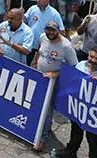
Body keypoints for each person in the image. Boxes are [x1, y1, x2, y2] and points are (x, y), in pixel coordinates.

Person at [57, 47, 97, 158]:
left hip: (95, 114)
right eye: (91, 56)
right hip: (78, 108)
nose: (92, 60)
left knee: (93, 139)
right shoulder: (81, 65)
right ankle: (71, 152)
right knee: (75, 132)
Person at [33, 21, 78, 151]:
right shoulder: (43, 37)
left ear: (58, 30)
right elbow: (39, 51)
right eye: (48, 29)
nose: (50, 33)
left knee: (48, 108)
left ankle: (42, 138)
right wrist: (36, 62)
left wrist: (56, 74)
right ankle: (40, 127)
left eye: (53, 30)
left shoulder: (66, 46)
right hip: (40, 76)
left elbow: (74, 67)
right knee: (38, 103)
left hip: (54, 81)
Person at [24, 0, 65, 66]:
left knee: (40, 66)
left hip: (44, 45)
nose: (37, 1)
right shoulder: (32, 8)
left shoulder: (54, 14)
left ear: (47, 0)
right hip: (30, 42)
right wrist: (21, 14)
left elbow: (61, 30)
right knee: (26, 64)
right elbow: (25, 20)